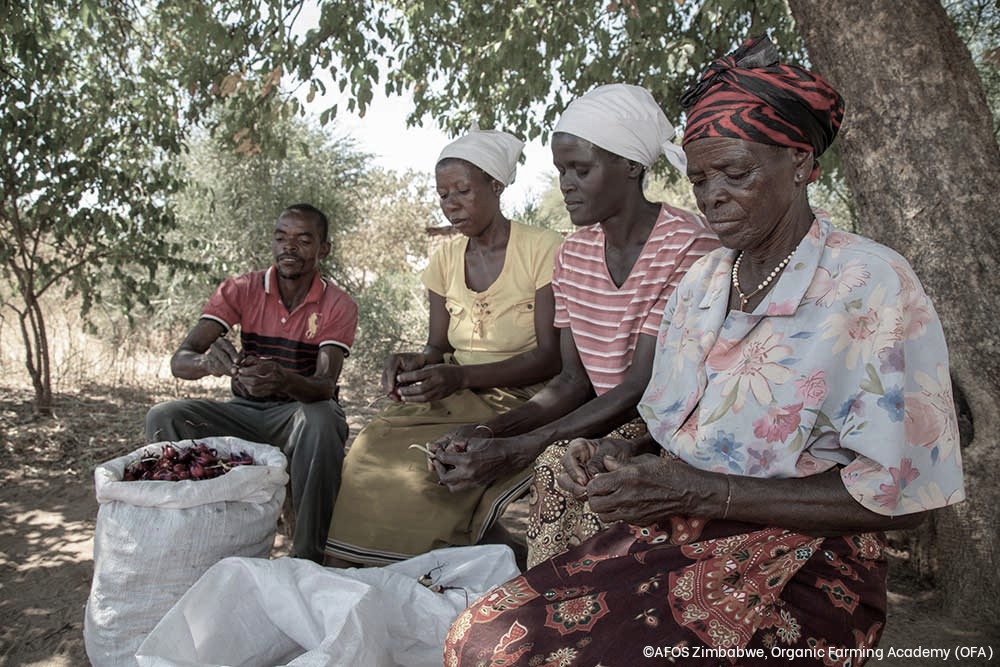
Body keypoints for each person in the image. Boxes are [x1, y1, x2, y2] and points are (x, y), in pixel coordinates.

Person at [443, 36, 966, 666]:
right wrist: (620, 449)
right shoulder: (705, 282)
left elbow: (906, 499)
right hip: (679, 531)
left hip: (808, 560)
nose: (713, 194)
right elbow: (673, 426)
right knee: (481, 636)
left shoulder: (871, 285)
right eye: (699, 179)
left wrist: (698, 493)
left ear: (801, 164)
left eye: (736, 172)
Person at [427, 84, 719, 553]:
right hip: (606, 418)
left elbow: (641, 388)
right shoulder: (574, 254)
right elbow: (571, 381)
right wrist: (490, 431)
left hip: (671, 425)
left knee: (561, 467)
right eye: (562, 169)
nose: (565, 183)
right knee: (556, 465)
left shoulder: (687, 246)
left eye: (581, 169)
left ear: (631, 166)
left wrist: (525, 446)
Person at [323, 127, 565, 566]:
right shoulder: (445, 260)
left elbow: (550, 357)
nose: (450, 204)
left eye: (462, 191)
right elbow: (437, 346)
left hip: (524, 396)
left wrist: (460, 376)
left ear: (496, 185)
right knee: (370, 446)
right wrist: (416, 362)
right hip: (458, 392)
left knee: (429, 467)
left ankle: (430, 569)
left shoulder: (543, 249)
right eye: (442, 195)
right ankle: (367, 570)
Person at [145, 203, 357, 564]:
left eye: (303, 240)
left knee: (322, 420)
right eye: (281, 238)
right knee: (164, 417)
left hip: (297, 415)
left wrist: (283, 379)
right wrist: (208, 363)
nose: (288, 247)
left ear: (323, 250)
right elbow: (180, 361)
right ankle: (188, 536)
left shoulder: (338, 304)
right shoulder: (242, 289)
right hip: (243, 414)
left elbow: (324, 385)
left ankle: (309, 555)